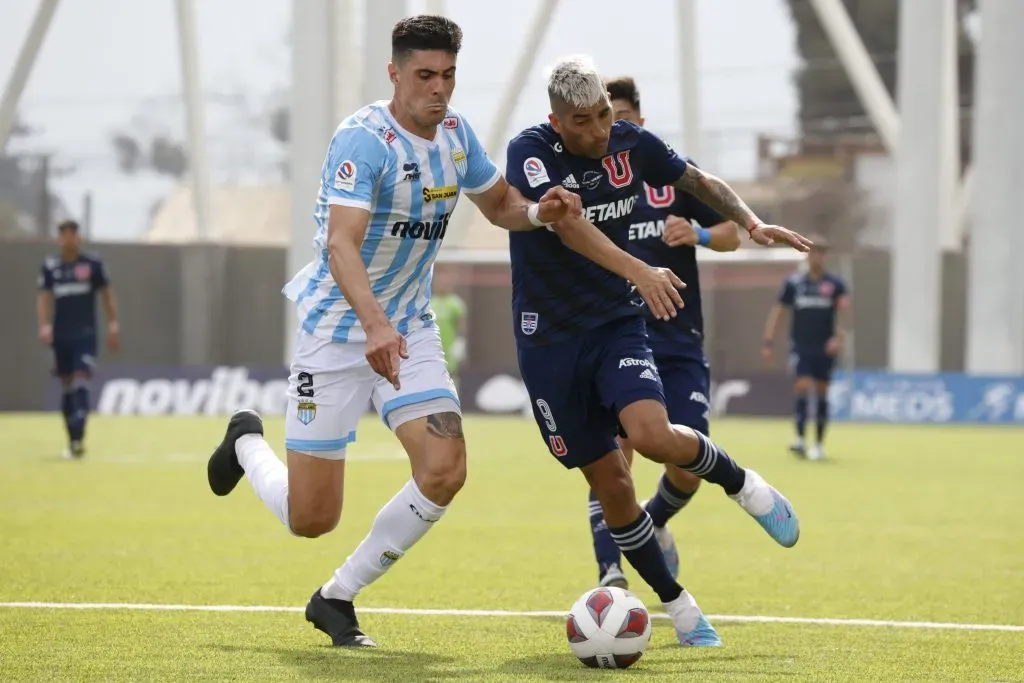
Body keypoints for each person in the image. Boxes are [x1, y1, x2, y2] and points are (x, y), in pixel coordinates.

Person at [204, 15, 581, 649]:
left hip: (408, 327)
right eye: (425, 75)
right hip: (338, 331)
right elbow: (340, 245)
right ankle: (246, 441)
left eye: (449, 76)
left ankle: (335, 598)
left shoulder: (457, 136)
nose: (439, 89)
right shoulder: (364, 141)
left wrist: (542, 212)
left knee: (445, 466)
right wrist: (372, 326)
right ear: (395, 73)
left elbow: (499, 206)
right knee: (312, 517)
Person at [505, 55, 812, 647]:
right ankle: (680, 604)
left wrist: (750, 223)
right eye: (584, 122)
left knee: (651, 433)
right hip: (547, 341)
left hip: (616, 325)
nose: (598, 132)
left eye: (603, 116)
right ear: (556, 120)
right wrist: (641, 269)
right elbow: (567, 224)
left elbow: (697, 181)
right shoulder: (532, 151)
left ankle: (744, 485)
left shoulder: (629, 143)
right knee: (613, 484)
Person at [587, 76, 742, 591]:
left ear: (641, 123)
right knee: (615, 460)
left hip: (678, 342)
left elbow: (732, 234)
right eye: (608, 119)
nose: (616, 129)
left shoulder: (670, 171)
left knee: (689, 465)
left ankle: (649, 527)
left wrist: (696, 233)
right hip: (616, 339)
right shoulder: (586, 180)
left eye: (624, 119)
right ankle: (611, 574)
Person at [36, 220, 120, 459]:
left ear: (78, 238)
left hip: (85, 336)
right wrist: (44, 326)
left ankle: (79, 435)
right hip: (61, 337)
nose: (68, 239)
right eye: (64, 235)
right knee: (67, 388)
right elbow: (43, 297)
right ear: (59, 239)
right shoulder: (51, 267)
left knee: (81, 382)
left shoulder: (92, 264)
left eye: (72, 234)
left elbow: (107, 294)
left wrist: (113, 324)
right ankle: (73, 439)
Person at [762, 235, 849, 460]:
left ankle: (818, 444)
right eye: (813, 251)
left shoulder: (836, 284)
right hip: (800, 346)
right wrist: (769, 340)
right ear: (807, 254)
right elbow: (779, 312)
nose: (817, 256)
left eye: (821, 252)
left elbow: (844, 315)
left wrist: (838, 339)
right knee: (801, 387)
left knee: (821, 392)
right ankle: (800, 439)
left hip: (824, 347)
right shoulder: (794, 283)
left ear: (825, 256)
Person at [429, 268, 467, 386]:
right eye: (440, 282)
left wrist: (460, 343)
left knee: (451, 377)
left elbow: (461, 325)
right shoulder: (430, 303)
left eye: (445, 282)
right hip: (432, 349)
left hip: (449, 349)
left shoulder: (455, 303)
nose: (442, 285)